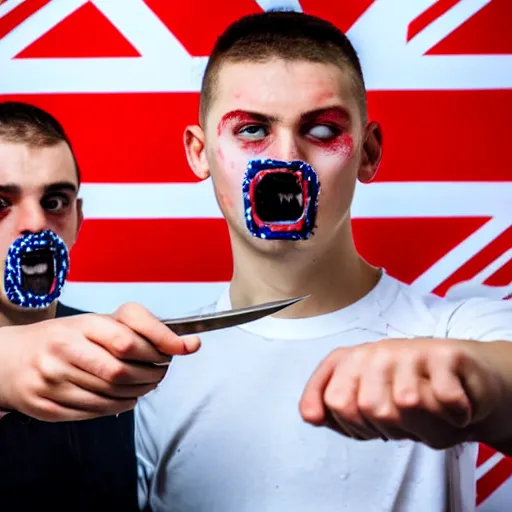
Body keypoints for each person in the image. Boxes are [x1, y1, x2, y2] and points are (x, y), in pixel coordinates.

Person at [135, 10, 512, 512]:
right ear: (199, 153)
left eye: (320, 130)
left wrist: (472, 377)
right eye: (251, 130)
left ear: (368, 153)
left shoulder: (452, 329)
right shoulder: (154, 371)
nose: (286, 161)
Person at [0, 101, 200, 510]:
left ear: (79, 220)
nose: (36, 225)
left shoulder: (118, 360)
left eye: (54, 202)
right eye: (0, 203)